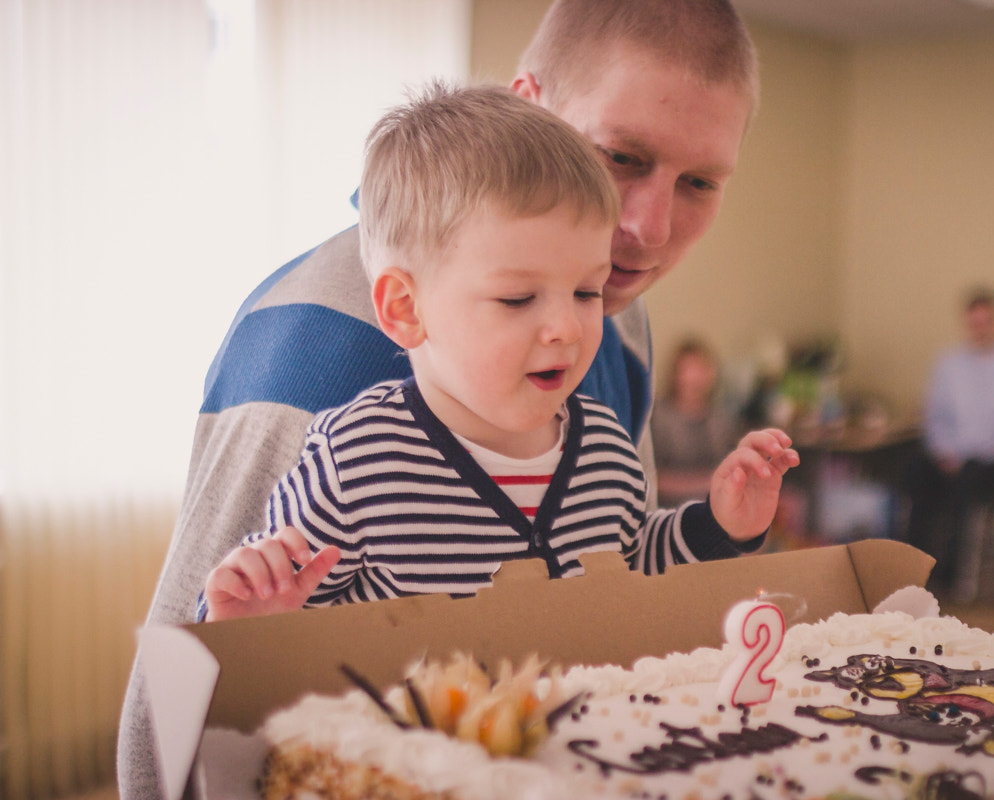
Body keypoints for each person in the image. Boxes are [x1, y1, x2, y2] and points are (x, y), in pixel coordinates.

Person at [119, 1, 763, 797]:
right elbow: (175, 719)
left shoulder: (617, 329)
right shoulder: (314, 347)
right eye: (622, 157)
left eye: (699, 181)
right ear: (528, 104)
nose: (652, 229)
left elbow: (618, 579)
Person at [199, 83, 795, 621]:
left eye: (587, 290)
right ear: (406, 309)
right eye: (517, 298)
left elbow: (637, 562)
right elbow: (272, 632)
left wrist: (722, 524)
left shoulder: (607, 447)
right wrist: (250, 618)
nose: (565, 327)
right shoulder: (355, 461)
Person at [905, 287, 994, 598]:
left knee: (968, 484)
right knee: (914, 473)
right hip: (949, 453)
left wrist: (970, 454)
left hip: (993, 457)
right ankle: (912, 570)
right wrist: (945, 450)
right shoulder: (948, 363)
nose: (981, 330)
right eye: (974, 323)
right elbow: (935, 416)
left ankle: (950, 574)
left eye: (987, 322)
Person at [651, 338, 740, 508]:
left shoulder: (721, 420)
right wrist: (705, 483)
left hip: (716, 509)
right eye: (686, 370)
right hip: (668, 510)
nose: (693, 378)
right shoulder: (658, 418)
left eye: (699, 369)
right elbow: (649, 477)